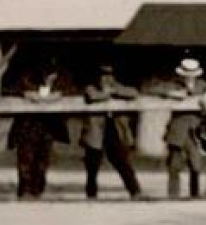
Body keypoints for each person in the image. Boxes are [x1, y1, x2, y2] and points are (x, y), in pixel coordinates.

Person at [8, 57, 71, 200]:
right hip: (27, 127)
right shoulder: (27, 78)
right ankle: (25, 191)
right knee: (26, 160)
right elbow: (27, 93)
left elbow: (60, 93)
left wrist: (45, 97)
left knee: (42, 162)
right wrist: (43, 97)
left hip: (46, 128)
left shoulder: (60, 81)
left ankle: (37, 190)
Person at [82, 62, 143, 199]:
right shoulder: (91, 88)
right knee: (92, 164)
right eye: (103, 76)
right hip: (96, 131)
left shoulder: (116, 87)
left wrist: (113, 91)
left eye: (109, 76)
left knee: (121, 160)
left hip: (114, 129)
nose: (106, 79)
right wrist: (107, 94)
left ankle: (135, 190)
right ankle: (91, 193)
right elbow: (93, 96)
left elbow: (133, 92)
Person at [162, 57, 206, 199]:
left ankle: (194, 194)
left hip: (195, 130)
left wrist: (203, 101)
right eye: (186, 75)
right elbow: (162, 92)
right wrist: (176, 95)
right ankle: (173, 195)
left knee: (195, 164)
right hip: (177, 130)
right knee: (174, 164)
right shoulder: (174, 85)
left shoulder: (203, 86)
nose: (189, 78)